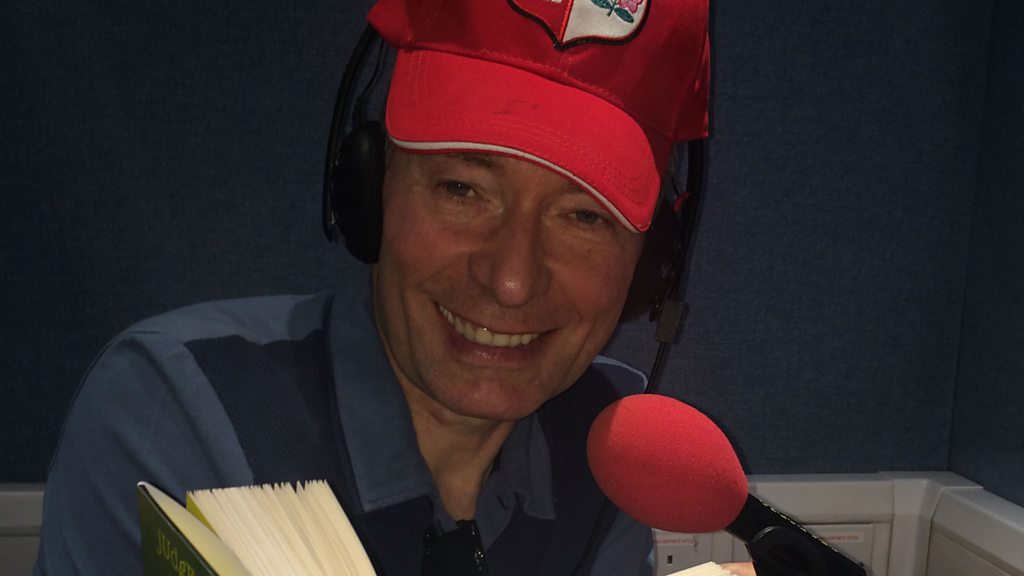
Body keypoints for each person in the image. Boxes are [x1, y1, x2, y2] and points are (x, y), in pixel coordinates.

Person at [34, 0, 735, 574]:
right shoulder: (179, 408)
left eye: (584, 216)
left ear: (651, 266)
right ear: (370, 189)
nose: (512, 280)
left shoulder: (606, 451)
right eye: (462, 189)